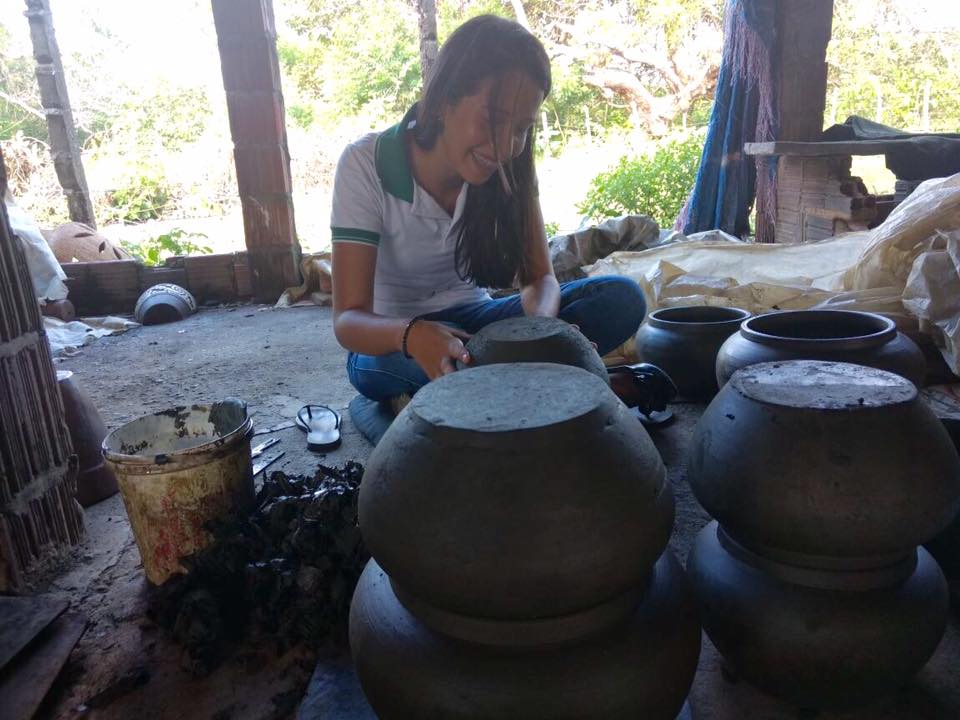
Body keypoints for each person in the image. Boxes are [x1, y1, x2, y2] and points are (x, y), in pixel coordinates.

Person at [331, 14, 647, 405]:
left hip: (479, 323)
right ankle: (555, 384)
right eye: (492, 120)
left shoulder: (510, 169)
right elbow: (348, 319)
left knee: (621, 298)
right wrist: (414, 334)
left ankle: (483, 390)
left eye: (520, 129)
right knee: (405, 365)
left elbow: (539, 279)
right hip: (393, 338)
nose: (505, 146)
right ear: (446, 99)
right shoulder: (366, 163)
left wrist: (545, 330)